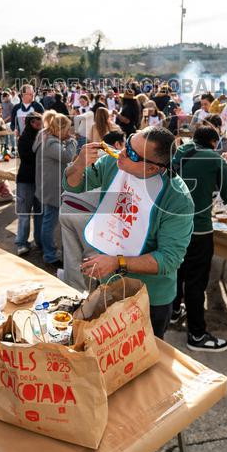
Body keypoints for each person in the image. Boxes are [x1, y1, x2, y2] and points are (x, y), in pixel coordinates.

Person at [65, 126, 194, 339]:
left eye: (133, 154)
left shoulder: (177, 199)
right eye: (128, 142)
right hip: (109, 285)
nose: (123, 152)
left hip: (149, 298)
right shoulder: (114, 163)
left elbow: (169, 259)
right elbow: (73, 186)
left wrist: (117, 262)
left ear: (152, 168)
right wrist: (79, 163)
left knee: (143, 356)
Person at [168, 126, 227, 352]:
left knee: (177, 272)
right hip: (199, 229)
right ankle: (197, 335)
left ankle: (173, 310)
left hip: (173, 226)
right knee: (196, 282)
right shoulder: (214, 159)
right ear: (214, 142)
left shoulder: (180, 151)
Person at [33, 112, 77, 267]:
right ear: (60, 129)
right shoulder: (51, 142)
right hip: (52, 189)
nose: (69, 132)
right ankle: (50, 255)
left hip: (47, 186)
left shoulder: (46, 137)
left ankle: (45, 248)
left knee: (46, 220)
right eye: (67, 129)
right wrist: (72, 142)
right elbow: (67, 157)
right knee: (49, 222)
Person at [14, 113, 43, 256]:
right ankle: (21, 243)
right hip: (26, 181)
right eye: (39, 122)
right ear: (32, 123)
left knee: (39, 213)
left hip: (39, 180)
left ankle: (39, 241)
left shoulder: (41, 136)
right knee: (24, 214)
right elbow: (28, 157)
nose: (41, 124)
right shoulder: (24, 138)